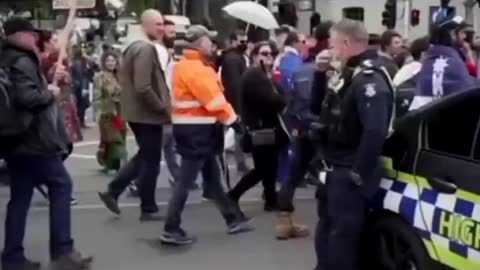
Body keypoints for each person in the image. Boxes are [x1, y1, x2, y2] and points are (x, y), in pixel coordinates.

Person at [0, 17, 92, 270]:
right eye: (30, 34)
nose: (34, 38)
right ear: (18, 35)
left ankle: (12, 256)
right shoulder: (21, 60)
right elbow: (28, 98)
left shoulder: (7, 60)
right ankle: (63, 251)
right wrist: (49, 92)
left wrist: (50, 78)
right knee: (61, 185)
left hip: (14, 139)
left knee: (20, 197)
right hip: (33, 140)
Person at [161, 25, 254, 246]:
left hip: (194, 129)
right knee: (186, 181)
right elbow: (214, 102)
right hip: (197, 131)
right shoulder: (196, 69)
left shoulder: (189, 66)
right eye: (208, 40)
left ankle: (232, 219)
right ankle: (170, 227)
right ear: (198, 43)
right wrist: (234, 120)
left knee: (212, 179)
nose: (212, 44)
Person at [313, 19, 394, 270]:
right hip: (332, 165)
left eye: (334, 44)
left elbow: (375, 130)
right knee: (327, 229)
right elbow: (319, 110)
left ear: (347, 43)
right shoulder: (347, 74)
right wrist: (318, 75)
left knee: (342, 239)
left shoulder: (369, 79)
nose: (330, 50)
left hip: (347, 168)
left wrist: (357, 173)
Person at [98, 9, 171, 221]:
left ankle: (114, 190)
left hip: (138, 113)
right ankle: (147, 207)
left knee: (146, 156)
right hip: (146, 114)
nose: (161, 28)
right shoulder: (144, 49)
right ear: (145, 24)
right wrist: (162, 108)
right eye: (157, 24)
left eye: (162, 24)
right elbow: (143, 87)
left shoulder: (134, 46)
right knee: (151, 161)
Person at [276, 21, 334, 240]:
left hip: (301, 127)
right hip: (321, 129)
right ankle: (328, 221)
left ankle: (284, 221)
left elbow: (289, 101)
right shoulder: (327, 69)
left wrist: (294, 126)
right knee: (327, 174)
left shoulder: (299, 70)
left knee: (294, 174)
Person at [228, 41, 290, 211]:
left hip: (267, 128)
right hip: (260, 128)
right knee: (263, 169)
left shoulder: (263, 75)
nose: (269, 57)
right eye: (264, 53)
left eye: (271, 54)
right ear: (255, 56)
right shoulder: (254, 75)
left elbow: (279, 93)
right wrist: (283, 100)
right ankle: (233, 195)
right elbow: (272, 100)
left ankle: (271, 199)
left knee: (270, 166)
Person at [410, 16, 475, 111]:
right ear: (452, 34)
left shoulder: (434, 58)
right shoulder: (449, 61)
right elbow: (471, 91)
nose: (465, 37)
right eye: (462, 33)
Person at [220, 29, 249, 173]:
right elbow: (235, 84)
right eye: (241, 41)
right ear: (232, 42)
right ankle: (237, 162)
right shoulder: (234, 59)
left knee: (235, 134)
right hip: (233, 102)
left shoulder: (235, 57)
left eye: (246, 40)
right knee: (234, 133)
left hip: (231, 101)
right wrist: (238, 107)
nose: (244, 43)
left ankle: (238, 161)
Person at [94, 51, 127, 173]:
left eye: (113, 60)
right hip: (107, 113)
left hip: (120, 112)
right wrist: (97, 112)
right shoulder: (100, 77)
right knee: (114, 138)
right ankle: (123, 164)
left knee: (120, 135)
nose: (111, 63)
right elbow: (97, 96)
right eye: (108, 61)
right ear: (104, 62)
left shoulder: (119, 75)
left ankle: (111, 164)